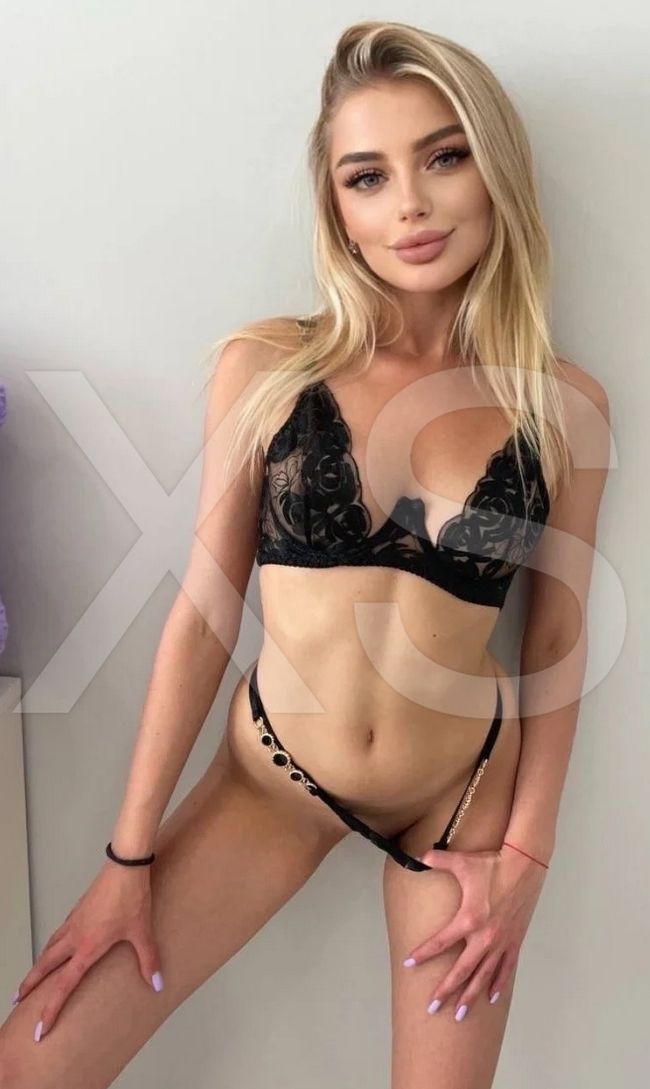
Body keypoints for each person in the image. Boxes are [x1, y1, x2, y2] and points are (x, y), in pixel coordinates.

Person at [0, 20, 610, 1089]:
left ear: (493, 170)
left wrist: (525, 856)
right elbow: (203, 613)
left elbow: (556, 631)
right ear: (337, 208)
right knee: (33, 1066)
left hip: (463, 795)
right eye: (367, 176)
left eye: (443, 156)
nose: (409, 205)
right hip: (273, 778)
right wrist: (127, 858)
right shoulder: (268, 366)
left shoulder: (560, 405)